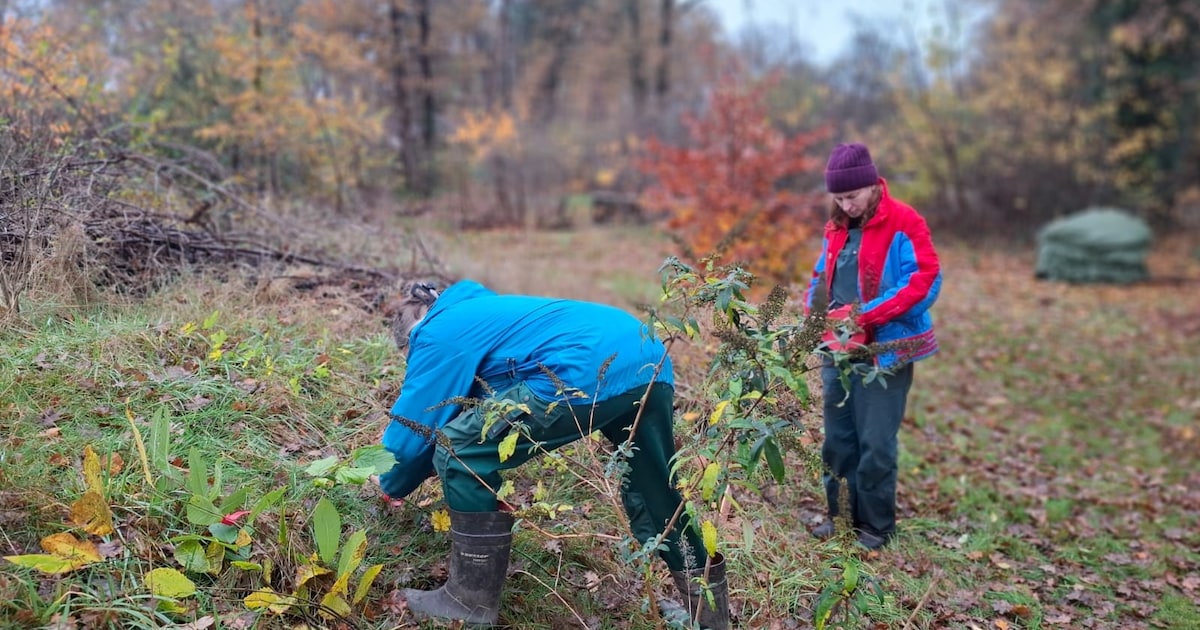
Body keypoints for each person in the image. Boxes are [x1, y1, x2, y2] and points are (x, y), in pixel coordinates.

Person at [377, 279, 729, 629]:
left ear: (411, 336)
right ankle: (709, 618)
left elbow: (413, 430)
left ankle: (467, 603)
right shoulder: (482, 312)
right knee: (655, 490)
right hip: (648, 353)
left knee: (460, 450)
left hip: (582, 366)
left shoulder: (436, 332)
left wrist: (386, 482)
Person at [803, 142, 942, 550]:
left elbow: (925, 279)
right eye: (838, 198)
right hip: (837, 349)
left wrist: (864, 316)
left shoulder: (905, 222)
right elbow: (820, 277)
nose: (845, 205)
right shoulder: (836, 228)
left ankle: (876, 526)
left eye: (852, 196)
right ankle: (841, 518)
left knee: (875, 442)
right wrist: (814, 314)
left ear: (872, 185)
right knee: (838, 440)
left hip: (886, 350)